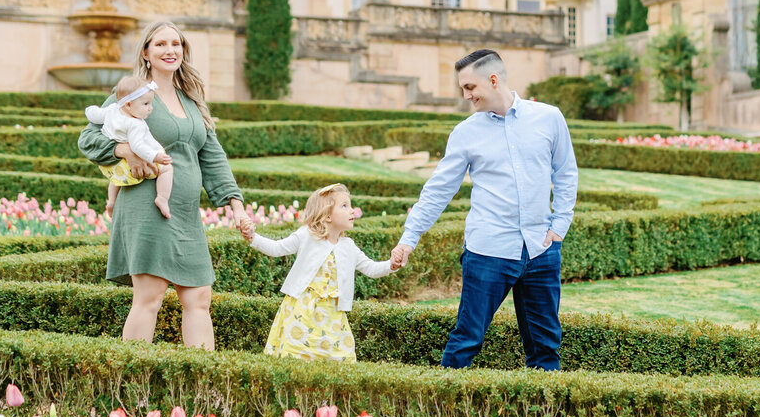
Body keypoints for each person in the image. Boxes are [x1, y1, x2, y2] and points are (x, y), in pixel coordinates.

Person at [391, 49, 578, 370]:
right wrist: (410, 237)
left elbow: (566, 173)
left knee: (546, 346)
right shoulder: (466, 132)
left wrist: (559, 226)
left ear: (493, 80)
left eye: (469, 87)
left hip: (541, 250)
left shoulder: (549, 117)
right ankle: (442, 415)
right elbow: (438, 189)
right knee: (467, 339)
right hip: (487, 251)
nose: (467, 96)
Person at [78, 20, 252, 350]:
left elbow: (213, 157)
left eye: (176, 44)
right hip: (146, 207)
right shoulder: (131, 93)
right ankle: (132, 384)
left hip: (185, 213)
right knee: (150, 297)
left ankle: (202, 387)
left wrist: (237, 207)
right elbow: (88, 138)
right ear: (146, 52)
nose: (169, 50)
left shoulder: (192, 100)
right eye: (160, 44)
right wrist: (125, 151)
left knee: (200, 298)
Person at [243, 183, 396, 362]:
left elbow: (371, 268)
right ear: (327, 215)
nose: (352, 211)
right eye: (344, 206)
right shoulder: (306, 236)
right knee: (296, 355)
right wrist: (253, 237)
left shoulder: (349, 247)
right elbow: (277, 248)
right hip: (302, 311)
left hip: (333, 316)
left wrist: (391, 265)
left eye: (350, 205)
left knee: (339, 358)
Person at [84, 75, 174, 219]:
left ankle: (112, 201)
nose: (150, 109)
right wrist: (155, 156)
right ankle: (162, 198)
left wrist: (89, 110)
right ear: (128, 105)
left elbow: (95, 115)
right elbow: (137, 146)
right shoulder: (135, 124)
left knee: (115, 181)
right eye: (145, 104)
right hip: (136, 167)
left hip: (114, 166)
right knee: (167, 169)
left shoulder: (112, 110)